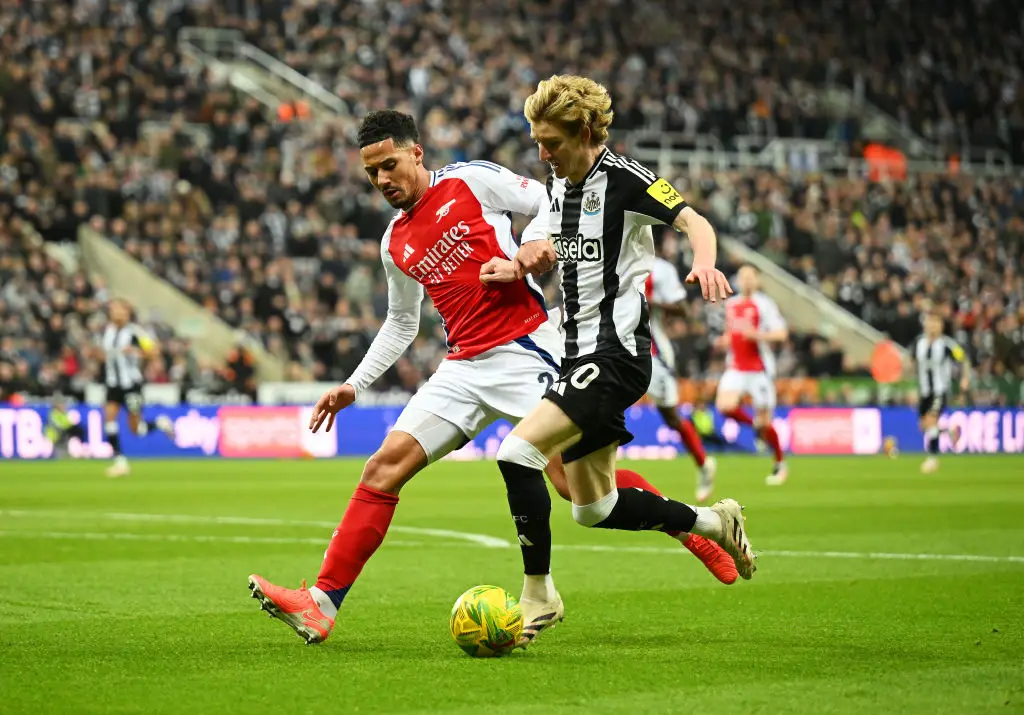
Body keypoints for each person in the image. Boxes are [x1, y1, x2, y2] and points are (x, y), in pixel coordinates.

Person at [247, 110, 736, 647]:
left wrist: (530, 252)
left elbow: (553, 202)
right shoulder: (395, 243)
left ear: (417, 154)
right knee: (382, 468)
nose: (383, 180)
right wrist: (354, 385)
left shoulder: (470, 179)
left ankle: (693, 525)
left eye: (389, 165)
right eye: (371, 174)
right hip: (461, 367)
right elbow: (402, 323)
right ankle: (320, 605)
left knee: (576, 485)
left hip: (526, 348)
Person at [492, 75, 757, 648]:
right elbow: (548, 248)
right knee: (594, 508)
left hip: (616, 354)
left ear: (584, 132)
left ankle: (538, 596)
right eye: (536, 142)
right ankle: (714, 521)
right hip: (572, 353)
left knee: (517, 453)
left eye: (552, 143)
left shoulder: (625, 179)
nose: (542, 154)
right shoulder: (557, 186)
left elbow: (694, 221)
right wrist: (519, 264)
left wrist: (705, 263)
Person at [645, 245, 716, 502]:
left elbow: (683, 310)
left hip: (651, 352)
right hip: (614, 348)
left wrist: (648, 301)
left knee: (671, 417)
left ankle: (703, 463)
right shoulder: (607, 257)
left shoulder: (659, 269)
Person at [714, 265, 789, 485]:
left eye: (750, 277)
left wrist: (757, 335)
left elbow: (781, 334)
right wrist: (725, 341)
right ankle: (755, 425)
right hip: (736, 367)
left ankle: (780, 464)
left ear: (757, 280)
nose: (745, 281)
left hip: (759, 369)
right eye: (742, 277)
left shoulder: (764, 304)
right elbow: (732, 333)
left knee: (766, 423)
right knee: (724, 406)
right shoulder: (731, 305)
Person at [99, 299, 174, 477]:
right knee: (109, 418)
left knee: (136, 428)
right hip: (112, 383)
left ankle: (160, 423)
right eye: (114, 310)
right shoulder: (107, 331)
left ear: (127, 313)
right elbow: (106, 354)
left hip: (131, 384)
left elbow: (154, 351)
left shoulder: (135, 332)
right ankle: (120, 462)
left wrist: (136, 352)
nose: (116, 313)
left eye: (120, 310)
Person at [913, 310, 968, 473]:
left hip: (940, 390)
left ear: (941, 326)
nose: (933, 326)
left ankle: (932, 459)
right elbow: (910, 362)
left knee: (931, 421)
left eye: (937, 323)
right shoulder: (918, 343)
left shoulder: (947, 344)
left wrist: (964, 379)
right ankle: (950, 431)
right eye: (931, 322)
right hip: (924, 391)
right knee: (924, 426)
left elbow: (963, 360)